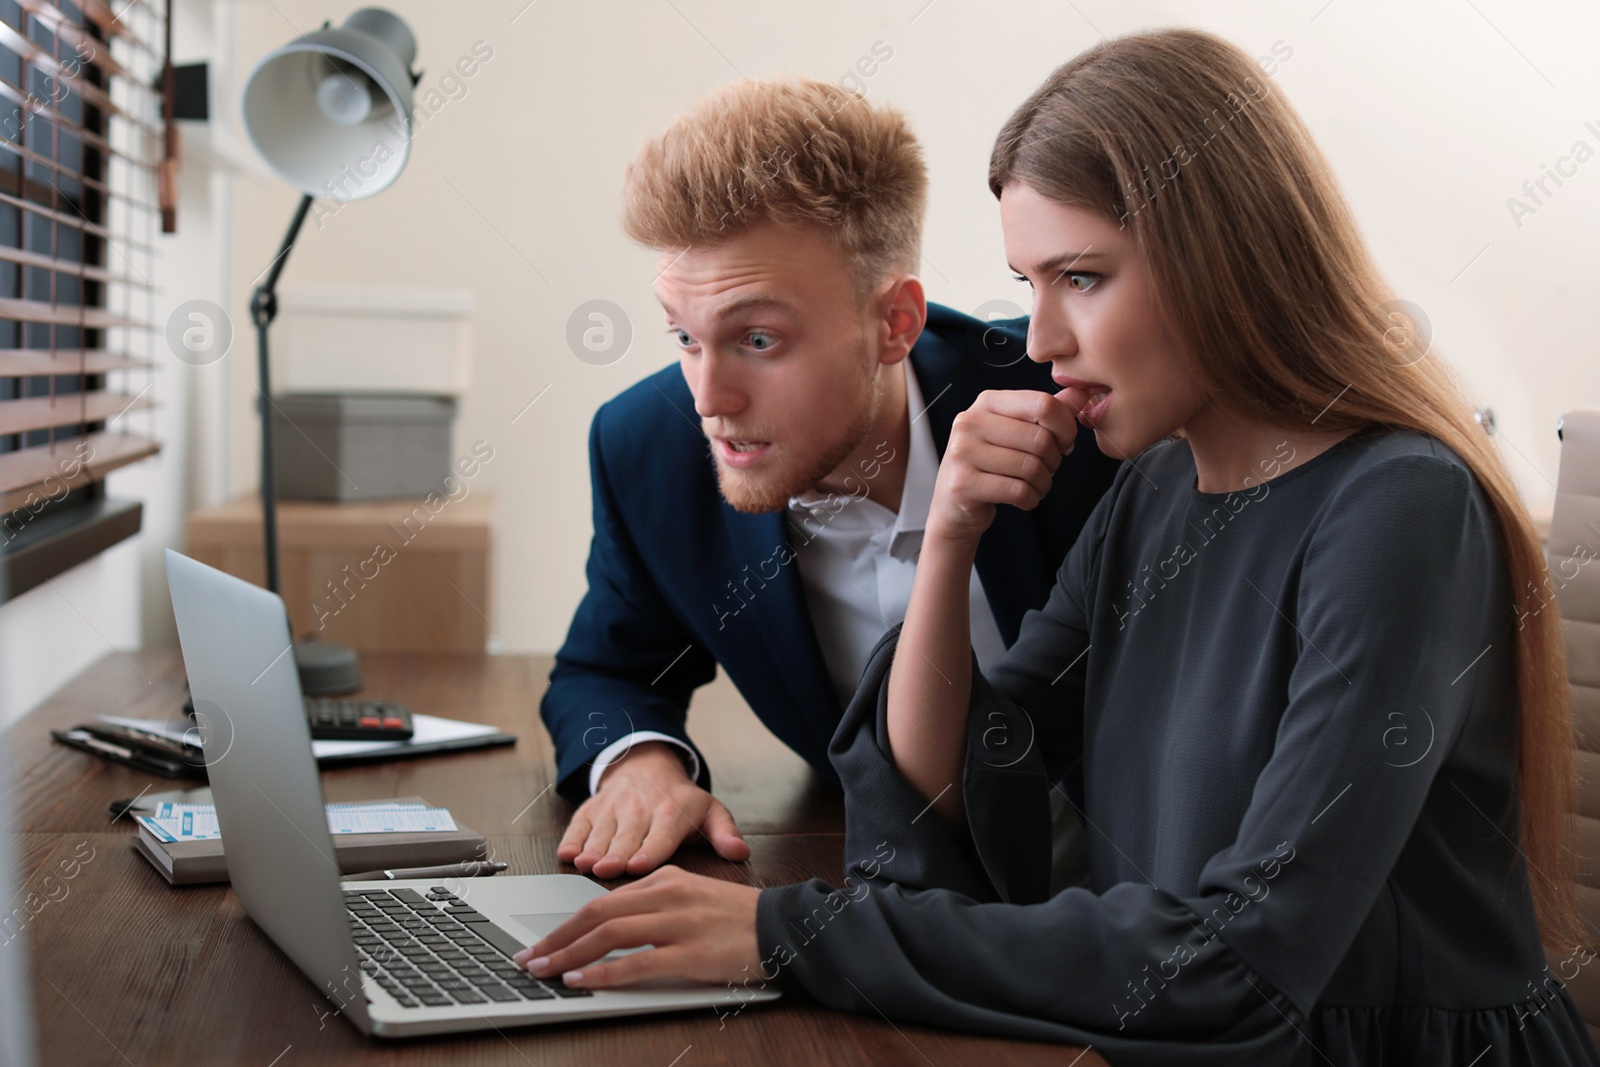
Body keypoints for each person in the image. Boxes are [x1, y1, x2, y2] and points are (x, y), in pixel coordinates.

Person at [514, 27, 1600, 1065]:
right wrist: (947, 536)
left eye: (1080, 277)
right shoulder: (1156, 489)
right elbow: (957, 792)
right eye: (1030, 283)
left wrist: (784, 935)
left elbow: (1244, 961)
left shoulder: (1399, 506)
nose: (1038, 341)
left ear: (1217, 257)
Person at [541, 77, 1122, 881]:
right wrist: (641, 763)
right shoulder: (650, 449)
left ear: (895, 323)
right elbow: (606, 667)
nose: (709, 399)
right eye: (683, 334)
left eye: (757, 337)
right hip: (881, 892)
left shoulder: (1078, 399)